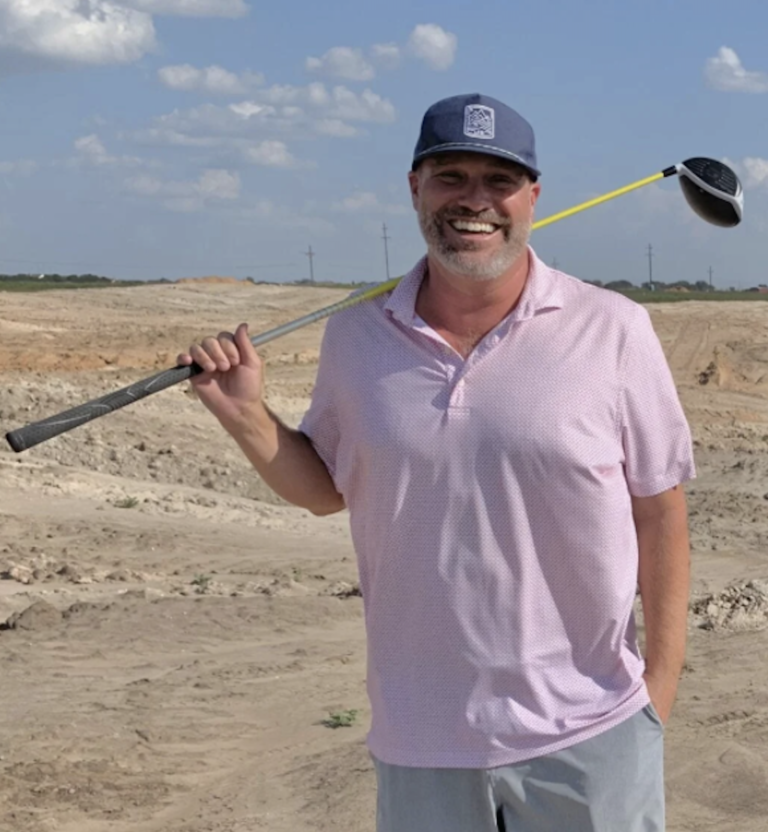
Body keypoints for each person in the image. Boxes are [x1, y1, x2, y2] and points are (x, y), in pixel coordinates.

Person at [178, 93, 693, 832]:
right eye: (451, 176)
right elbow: (328, 490)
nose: (474, 200)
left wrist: (658, 691)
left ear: (533, 198)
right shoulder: (357, 334)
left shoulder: (614, 330)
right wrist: (246, 415)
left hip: (590, 731)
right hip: (420, 743)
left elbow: (660, 512)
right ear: (415, 189)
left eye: (499, 180)